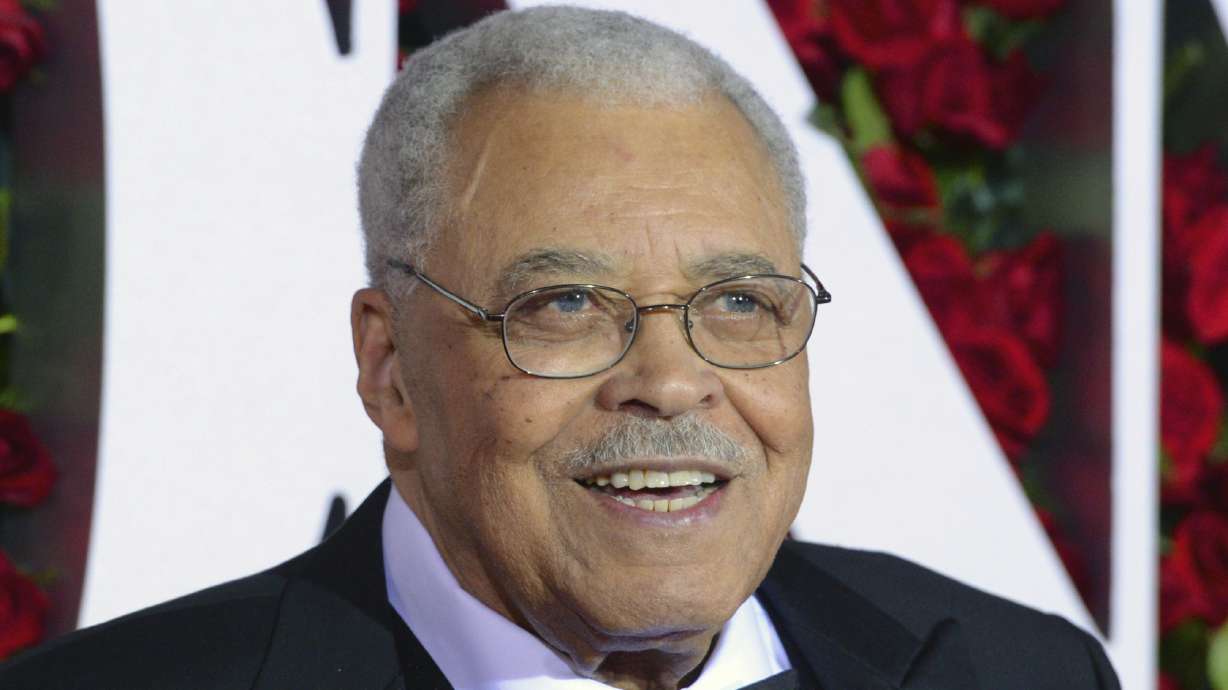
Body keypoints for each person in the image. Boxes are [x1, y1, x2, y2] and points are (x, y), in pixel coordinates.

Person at [0, 7, 1119, 689]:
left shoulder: (1014, 670)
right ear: (390, 369)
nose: (672, 380)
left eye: (737, 302)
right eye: (567, 306)